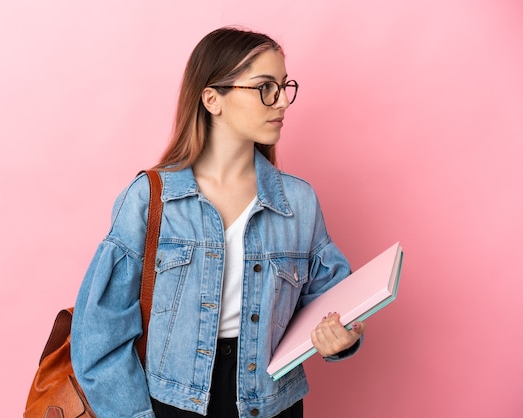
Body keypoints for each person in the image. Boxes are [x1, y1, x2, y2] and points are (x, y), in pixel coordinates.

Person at [70, 27, 365, 418]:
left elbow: (333, 305)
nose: (281, 102)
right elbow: (99, 336)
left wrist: (341, 337)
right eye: (264, 87)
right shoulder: (150, 198)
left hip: (271, 403)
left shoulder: (298, 202)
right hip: (172, 404)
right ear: (212, 99)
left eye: (284, 86)